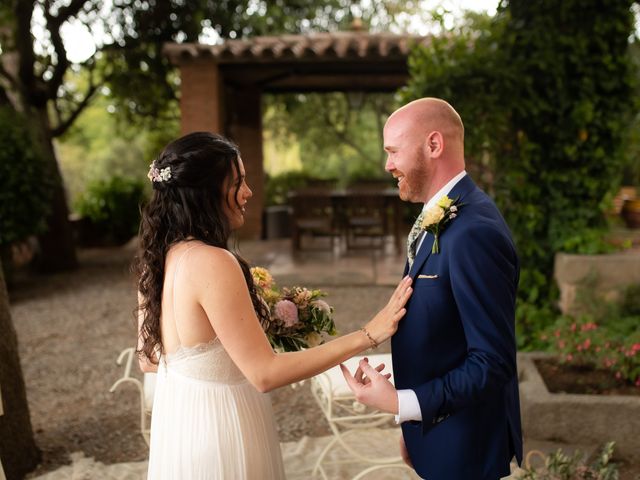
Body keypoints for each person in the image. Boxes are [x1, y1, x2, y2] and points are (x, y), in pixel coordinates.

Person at [133, 131, 413, 480]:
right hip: (221, 426)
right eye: (238, 182)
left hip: (180, 422)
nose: (248, 192)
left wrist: (224, 350)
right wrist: (368, 334)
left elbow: (149, 359)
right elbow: (264, 374)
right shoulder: (214, 262)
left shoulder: (157, 259)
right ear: (206, 193)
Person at [341, 98, 523, 480]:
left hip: (464, 448)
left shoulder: (474, 230)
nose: (388, 165)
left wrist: (401, 402)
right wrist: (412, 422)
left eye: (393, 151)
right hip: (436, 432)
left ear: (434, 145)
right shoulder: (440, 213)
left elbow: (492, 362)